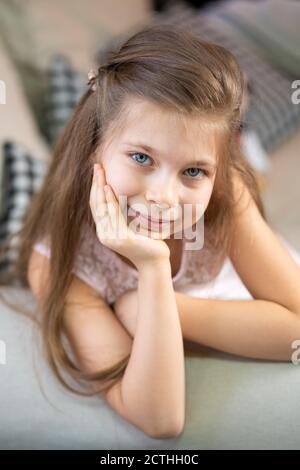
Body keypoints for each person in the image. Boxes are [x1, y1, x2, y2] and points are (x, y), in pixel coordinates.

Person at [2, 24, 300, 439]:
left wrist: (146, 307)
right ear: (94, 147)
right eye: (142, 157)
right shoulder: (60, 262)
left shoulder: (225, 194)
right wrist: (154, 267)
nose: (163, 196)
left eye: (193, 171)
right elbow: (160, 419)